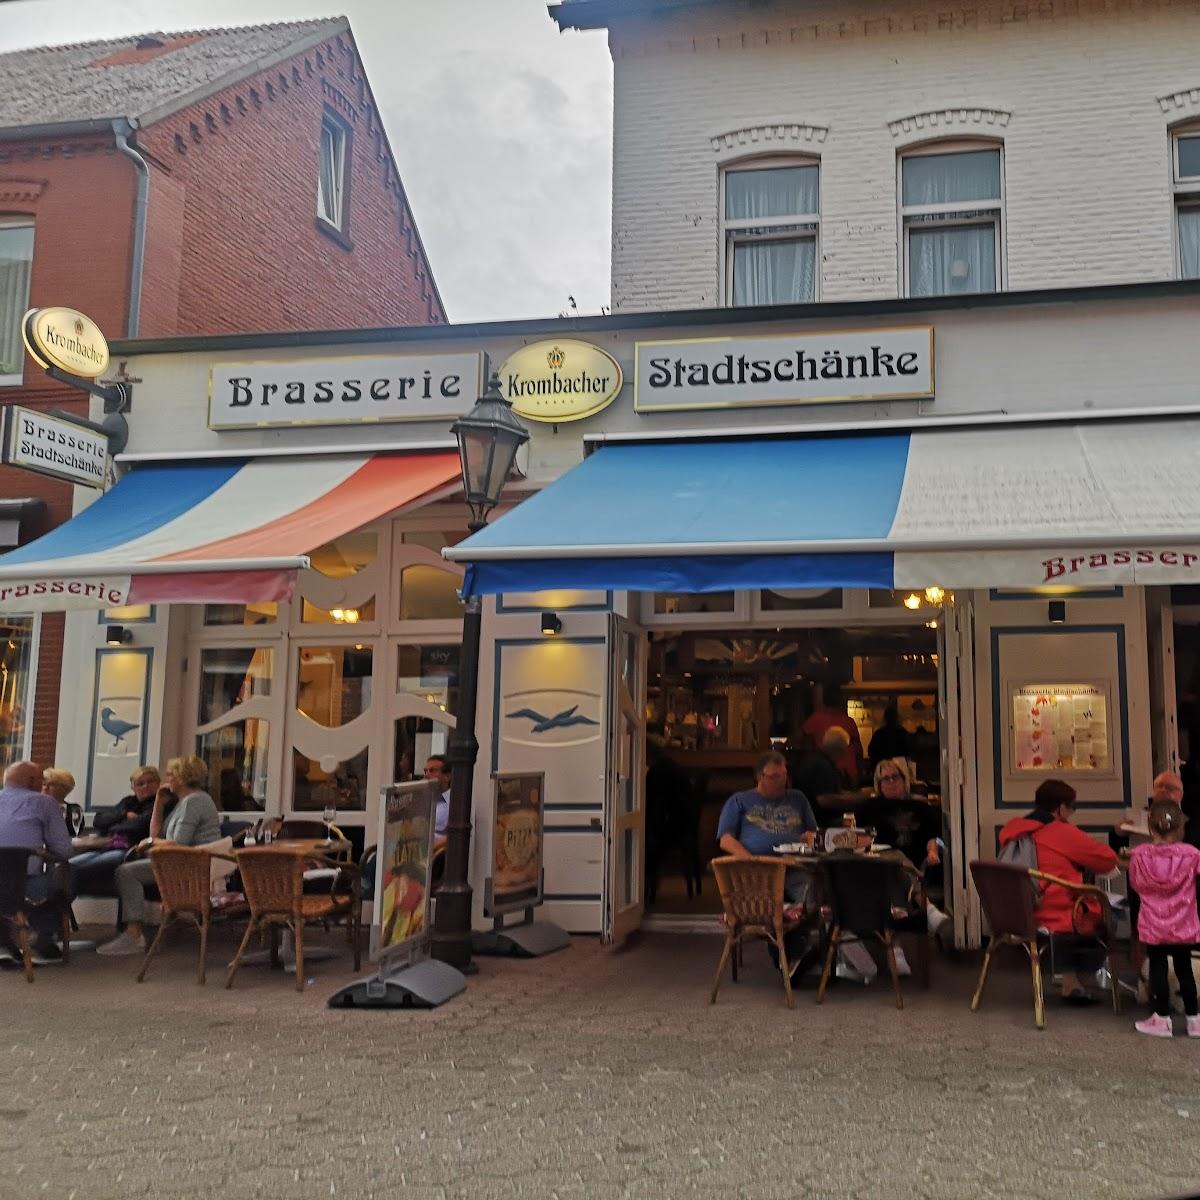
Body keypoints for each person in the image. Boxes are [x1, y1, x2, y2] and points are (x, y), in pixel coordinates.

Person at [1000, 779, 1119, 1003]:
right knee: (1109, 914)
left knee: (1076, 904)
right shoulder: (1061, 831)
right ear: (1061, 808)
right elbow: (1106, 859)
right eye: (1072, 807)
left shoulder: (1015, 830)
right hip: (1055, 914)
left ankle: (1069, 979)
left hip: (1020, 912)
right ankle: (1075, 980)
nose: (1072, 813)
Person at [97, 755, 221, 956]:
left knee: (126, 872)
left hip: (192, 867)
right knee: (128, 868)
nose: (167, 779)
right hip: (183, 862)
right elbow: (156, 834)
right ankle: (134, 931)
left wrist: (149, 843)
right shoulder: (185, 801)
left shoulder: (194, 802)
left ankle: (133, 934)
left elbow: (178, 844)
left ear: (182, 777)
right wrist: (159, 803)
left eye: (171, 774)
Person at [717, 751, 819, 978]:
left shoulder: (798, 798)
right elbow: (726, 840)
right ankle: (792, 957)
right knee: (771, 905)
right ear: (759, 777)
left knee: (813, 893)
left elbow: (812, 832)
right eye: (774, 777)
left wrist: (808, 841)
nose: (781, 781)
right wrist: (752, 862)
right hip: (757, 872)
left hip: (793, 867)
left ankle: (794, 954)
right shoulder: (740, 801)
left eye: (784, 775)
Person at [1128, 800, 1200, 1037]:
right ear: (1181, 827)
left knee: (1157, 968)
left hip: (1153, 923)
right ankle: (1194, 1019)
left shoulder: (1139, 856)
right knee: (1184, 968)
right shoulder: (1192, 855)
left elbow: (1136, 885)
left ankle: (1161, 1018)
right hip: (1183, 923)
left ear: (1150, 828)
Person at [863, 757, 952, 943]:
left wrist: (933, 852)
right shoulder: (869, 808)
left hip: (916, 864)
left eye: (896, 777)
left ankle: (896, 949)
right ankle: (929, 911)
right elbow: (859, 836)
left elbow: (933, 837)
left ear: (905, 780)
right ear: (878, 785)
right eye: (886, 779)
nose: (892, 782)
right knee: (894, 860)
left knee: (898, 865)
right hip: (879, 864)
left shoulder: (920, 806)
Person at [0, 760, 73, 965]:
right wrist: (42, 853)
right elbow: (63, 850)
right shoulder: (44, 802)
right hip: (21, 885)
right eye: (42, 779)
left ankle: (6, 942)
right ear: (32, 781)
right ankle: (45, 938)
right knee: (64, 879)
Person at [69, 766, 165, 896]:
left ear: (158, 783)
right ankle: (60, 909)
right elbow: (99, 820)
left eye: (150, 782)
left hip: (129, 850)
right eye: (140, 783)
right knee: (67, 866)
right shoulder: (128, 802)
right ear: (133, 787)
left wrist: (113, 825)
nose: (145, 786)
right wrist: (124, 815)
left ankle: (61, 908)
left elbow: (140, 826)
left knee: (79, 870)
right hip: (104, 847)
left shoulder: (160, 803)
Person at [801, 698, 863, 786]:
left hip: (824, 770)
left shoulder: (815, 719)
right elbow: (858, 749)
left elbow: (805, 742)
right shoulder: (849, 721)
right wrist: (860, 770)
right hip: (849, 771)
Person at [793, 726, 851, 817]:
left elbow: (832, 791)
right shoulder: (822, 766)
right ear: (839, 750)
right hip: (821, 821)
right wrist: (857, 799)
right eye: (845, 750)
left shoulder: (814, 758)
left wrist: (856, 795)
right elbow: (824, 800)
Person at [867, 705, 911, 770]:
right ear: (897, 718)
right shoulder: (902, 733)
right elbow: (908, 751)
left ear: (885, 718)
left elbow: (871, 751)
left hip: (882, 768)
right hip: (899, 768)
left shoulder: (879, 733)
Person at [423, 755, 451, 841]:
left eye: (432, 771)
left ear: (447, 776)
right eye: (425, 771)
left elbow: (453, 838)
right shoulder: (423, 799)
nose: (426, 775)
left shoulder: (454, 802)